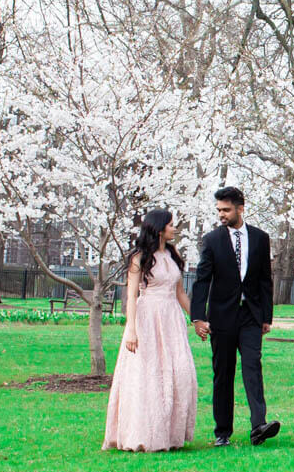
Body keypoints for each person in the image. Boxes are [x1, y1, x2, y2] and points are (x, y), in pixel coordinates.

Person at [190, 187, 279, 447]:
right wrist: (198, 317)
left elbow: (265, 280)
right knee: (223, 373)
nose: (221, 214)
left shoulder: (261, 238)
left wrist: (266, 316)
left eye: (226, 210)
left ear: (241, 208)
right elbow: (202, 280)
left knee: (253, 366)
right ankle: (222, 432)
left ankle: (258, 426)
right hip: (221, 317)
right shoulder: (212, 240)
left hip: (250, 315)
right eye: (219, 210)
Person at [103, 209, 198, 452]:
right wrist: (131, 329)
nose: (174, 229)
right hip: (147, 317)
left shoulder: (172, 255)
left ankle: (170, 434)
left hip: (171, 320)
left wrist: (197, 318)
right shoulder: (140, 257)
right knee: (148, 374)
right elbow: (131, 295)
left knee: (180, 372)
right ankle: (143, 434)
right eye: (170, 225)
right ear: (158, 229)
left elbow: (180, 294)